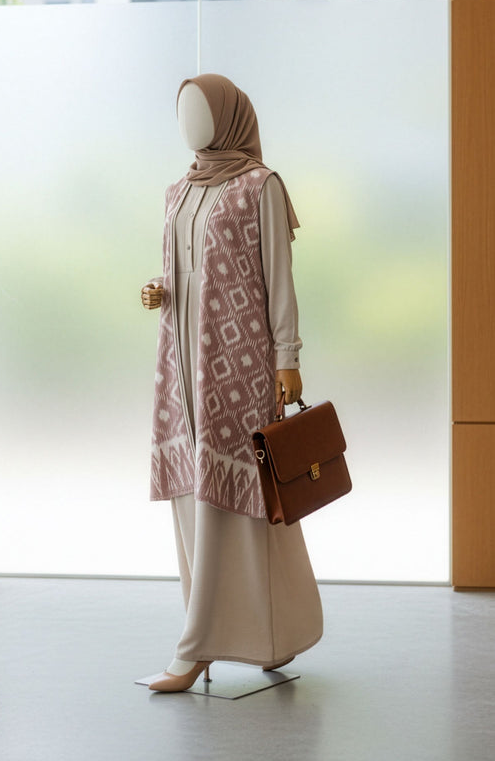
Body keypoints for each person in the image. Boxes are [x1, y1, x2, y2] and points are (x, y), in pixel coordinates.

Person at [141, 73, 323, 693]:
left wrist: (287, 356)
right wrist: (160, 289)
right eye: (183, 112)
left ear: (229, 117)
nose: (190, 125)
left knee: (242, 501)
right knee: (195, 499)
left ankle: (196, 649)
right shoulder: (178, 191)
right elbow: (182, 269)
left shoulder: (259, 186)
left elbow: (278, 276)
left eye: (201, 112)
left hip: (238, 365)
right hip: (181, 366)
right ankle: (269, 636)